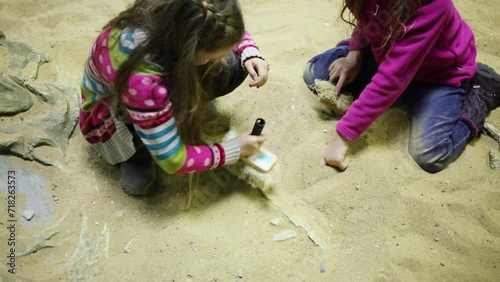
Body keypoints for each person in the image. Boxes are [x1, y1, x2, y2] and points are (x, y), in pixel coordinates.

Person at [79, 0, 269, 195]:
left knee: (234, 64)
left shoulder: (173, 13)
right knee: (143, 179)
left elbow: (220, 20)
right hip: (117, 114)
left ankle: (180, 111)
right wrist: (234, 148)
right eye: (212, 57)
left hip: (155, 86)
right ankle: (136, 155)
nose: (217, 59)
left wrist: (248, 50)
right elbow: (173, 160)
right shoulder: (144, 85)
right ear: (189, 45)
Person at [303, 0, 500, 173]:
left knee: (429, 154)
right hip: (389, 54)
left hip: (438, 76)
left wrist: (342, 136)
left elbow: (392, 79)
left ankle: (479, 92)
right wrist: (355, 54)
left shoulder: (434, 4)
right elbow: (368, 18)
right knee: (316, 74)